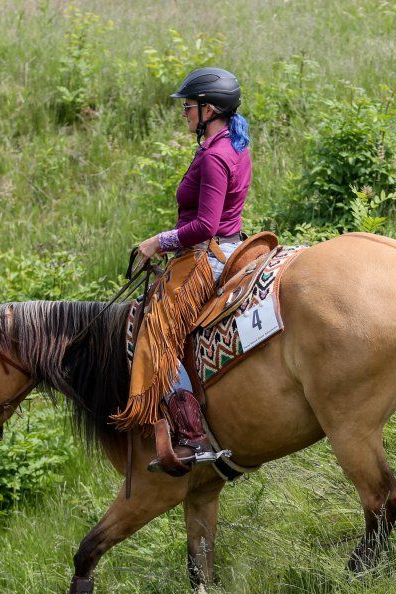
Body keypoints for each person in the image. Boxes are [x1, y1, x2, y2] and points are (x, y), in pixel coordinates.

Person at [115, 67, 252, 474]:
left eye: (189, 107)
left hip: (208, 253)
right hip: (229, 245)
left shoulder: (214, 157)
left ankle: (192, 436)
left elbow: (205, 226)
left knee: (155, 331)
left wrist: (160, 241)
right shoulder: (233, 144)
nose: (185, 113)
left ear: (209, 109)